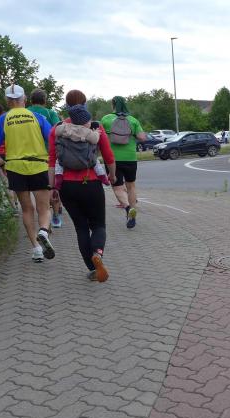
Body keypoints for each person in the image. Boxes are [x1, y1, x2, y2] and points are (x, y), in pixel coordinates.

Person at [0, 84, 56, 262]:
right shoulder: (38, 117)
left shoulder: (2, 120)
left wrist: (2, 164)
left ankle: (36, 248)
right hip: (39, 165)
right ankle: (43, 231)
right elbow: (53, 141)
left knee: (27, 209)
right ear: (24, 98)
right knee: (43, 208)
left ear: (7, 101)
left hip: (15, 168)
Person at [48, 103, 116, 281]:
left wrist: (52, 187)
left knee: (81, 228)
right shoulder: (95, 129)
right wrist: (112, 175)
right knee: (98, 225)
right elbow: (108, 155)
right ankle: (98, 253)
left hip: (67, 186)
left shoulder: (57, 130)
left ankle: (93, 269)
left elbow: (52, 160)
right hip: (91, 182)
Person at [101, 96, 147, 229]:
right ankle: (133, 212)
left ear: (113, 105)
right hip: (130, 158)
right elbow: (142, 137)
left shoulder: (106, 119)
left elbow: (99, 136)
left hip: (112, 159)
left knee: (117, 187)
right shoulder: (133, 120)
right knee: (131, 186)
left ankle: (127, 208)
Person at [27, 88, 64, 229]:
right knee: (52, 185)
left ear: (31, 100)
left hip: (28, 155)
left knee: (35, 188)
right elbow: (57, 131)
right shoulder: (50, 113)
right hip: (49, 154)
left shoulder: (25, 112)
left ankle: (40, 215)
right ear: (45, 100)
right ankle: (55, 215)